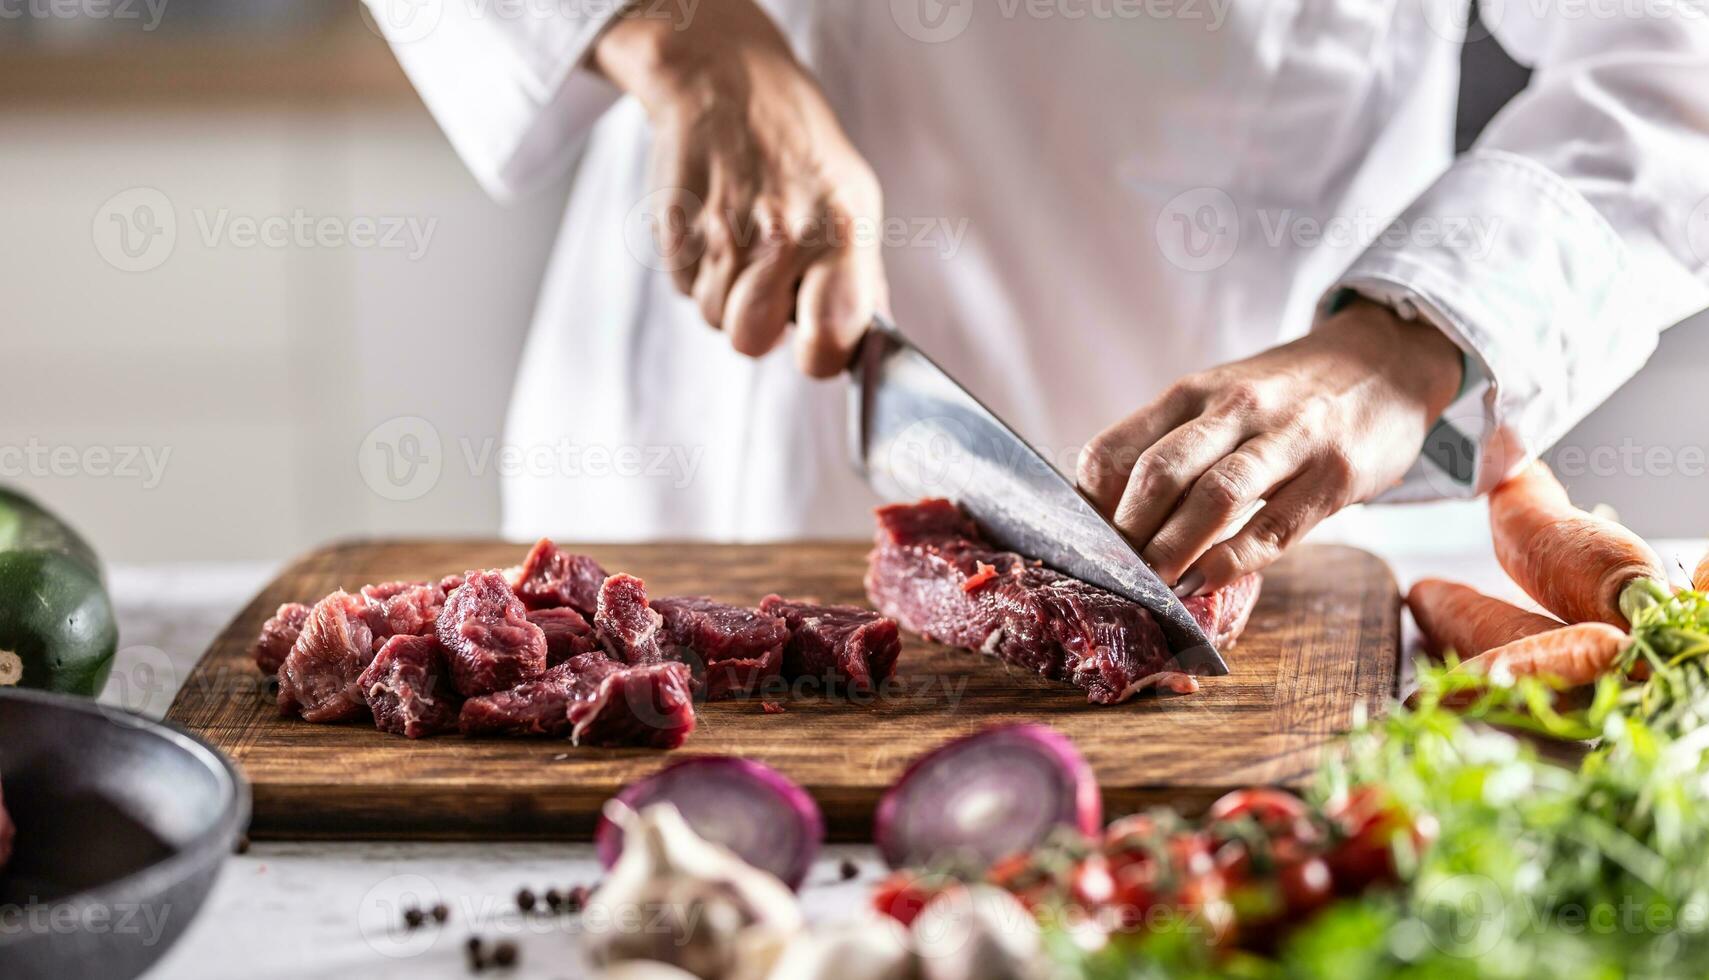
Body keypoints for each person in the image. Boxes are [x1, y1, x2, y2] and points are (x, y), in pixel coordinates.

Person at [365, 0, 1709, 593]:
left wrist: (1394, 346)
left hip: (1236, 498)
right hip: (703, 422)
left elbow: (1671, 69)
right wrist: (678, 30)